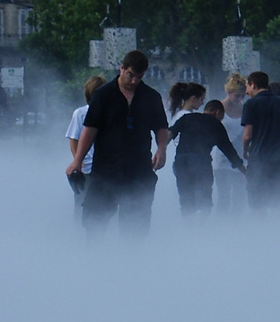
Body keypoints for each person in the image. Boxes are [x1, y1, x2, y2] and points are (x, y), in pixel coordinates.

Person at [66, 51, 170, 236]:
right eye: (130, 75)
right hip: (106, 171)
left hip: (138, 171)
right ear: (121, 68)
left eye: (139, 77)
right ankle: (94, 260)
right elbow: (89, 130)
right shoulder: (103, 96)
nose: (134, 81)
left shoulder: (150, 97)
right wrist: (77, 160)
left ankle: (130, 261)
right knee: (94, 223)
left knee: (135, 227)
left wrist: (161, 150)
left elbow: (162, 127)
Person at [170, 99, 245, 216]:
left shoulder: (187, 118)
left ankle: (188, 229)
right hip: (201, 162)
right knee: (204, 202)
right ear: (217, 112)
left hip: (182, 161)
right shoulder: (216, 124)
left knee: (186, 199)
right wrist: (244, 171)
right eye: (222, 116)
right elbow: (229, 151)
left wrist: (159, 152)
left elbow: (169, 134)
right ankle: (201, 227)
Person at [239, 71, 280, 209]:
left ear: (253, 85)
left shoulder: (250, 105)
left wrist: (245, 151)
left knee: (257, 203)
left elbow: (247, 136)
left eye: (247, 86)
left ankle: (260, 229)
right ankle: (278, 229)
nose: (246, 92)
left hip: (259, 160)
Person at [66, 75, 106, 211]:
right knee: (82, 202)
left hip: (105, 168)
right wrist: (78, 160)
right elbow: (73, 139)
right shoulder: (80, 113)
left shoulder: (111, 113)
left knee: (104, 203)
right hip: (86, 168)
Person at [215, 73, 248, 214]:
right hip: (221, 159)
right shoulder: (219, 107)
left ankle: (237, 226)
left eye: (242, 96)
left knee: (239, 196)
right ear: (229, 92)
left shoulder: (245, 108)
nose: (240, 99)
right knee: (224, 196)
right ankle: (222, 227)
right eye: (237, 96)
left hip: (240, 157)